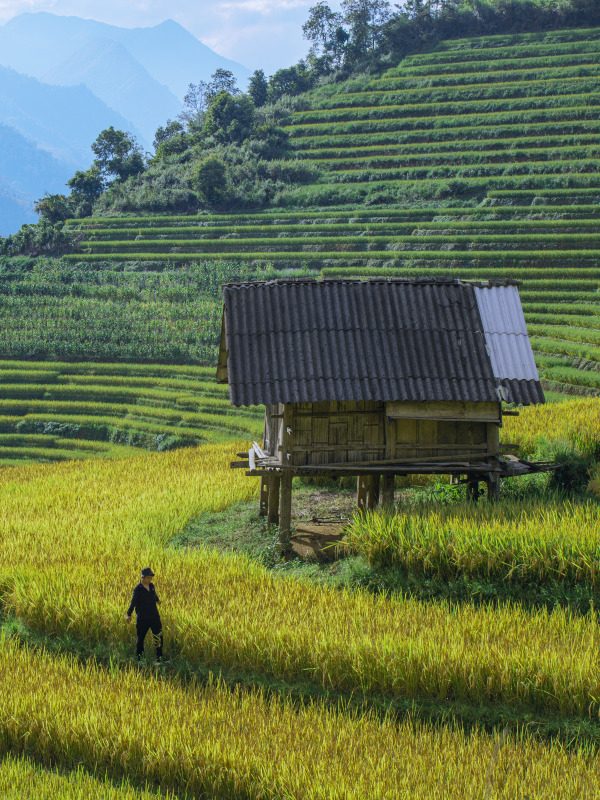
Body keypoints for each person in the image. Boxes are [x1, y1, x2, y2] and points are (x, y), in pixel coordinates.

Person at [125, 567, 163, 663]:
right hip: (143, 619)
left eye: (151, 577)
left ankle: (159, 658)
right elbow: (133, 603)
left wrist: (158, 601)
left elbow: (154, 595)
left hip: (154, 617)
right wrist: (128, 614)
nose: (150, 579)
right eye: (148, 577)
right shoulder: (138, 590)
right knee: (140, 639)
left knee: (158, 637)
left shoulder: (151, 586)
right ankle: (140, 659)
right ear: (143, 577)